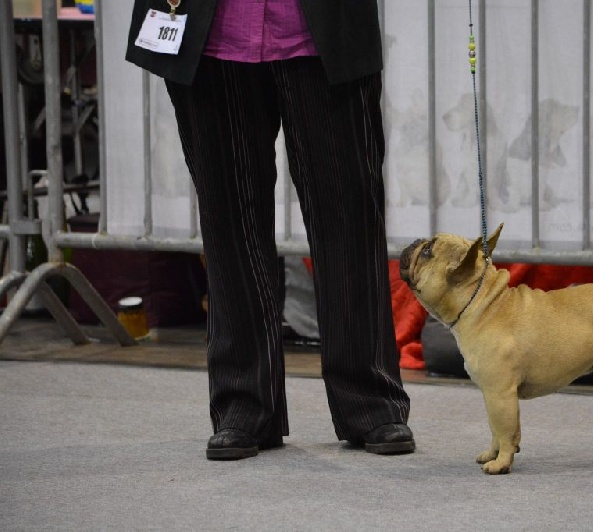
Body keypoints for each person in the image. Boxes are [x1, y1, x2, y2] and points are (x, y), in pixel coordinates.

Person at [126, 0, 414, 460]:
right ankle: (243, 403)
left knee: (349, 219)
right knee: (228, 226)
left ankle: (370, 399)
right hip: (210, 31)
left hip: (321, 29)